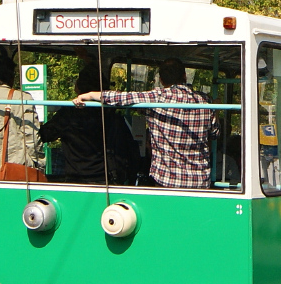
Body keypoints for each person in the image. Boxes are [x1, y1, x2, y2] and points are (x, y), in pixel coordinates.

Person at [74, 57, 219, 188]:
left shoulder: (157, 97)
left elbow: (123, 98)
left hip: (166, 180)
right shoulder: (205, 101)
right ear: (184, 76)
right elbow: (215, 133)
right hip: (199, 181)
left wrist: (90, 95)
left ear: (161, 80)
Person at [40, 66, 140, 185]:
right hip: (107, 179)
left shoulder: (68, 115)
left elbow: (44, 135)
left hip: (75, 178)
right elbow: (131, 149)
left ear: (79, 87)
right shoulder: (111, 115)